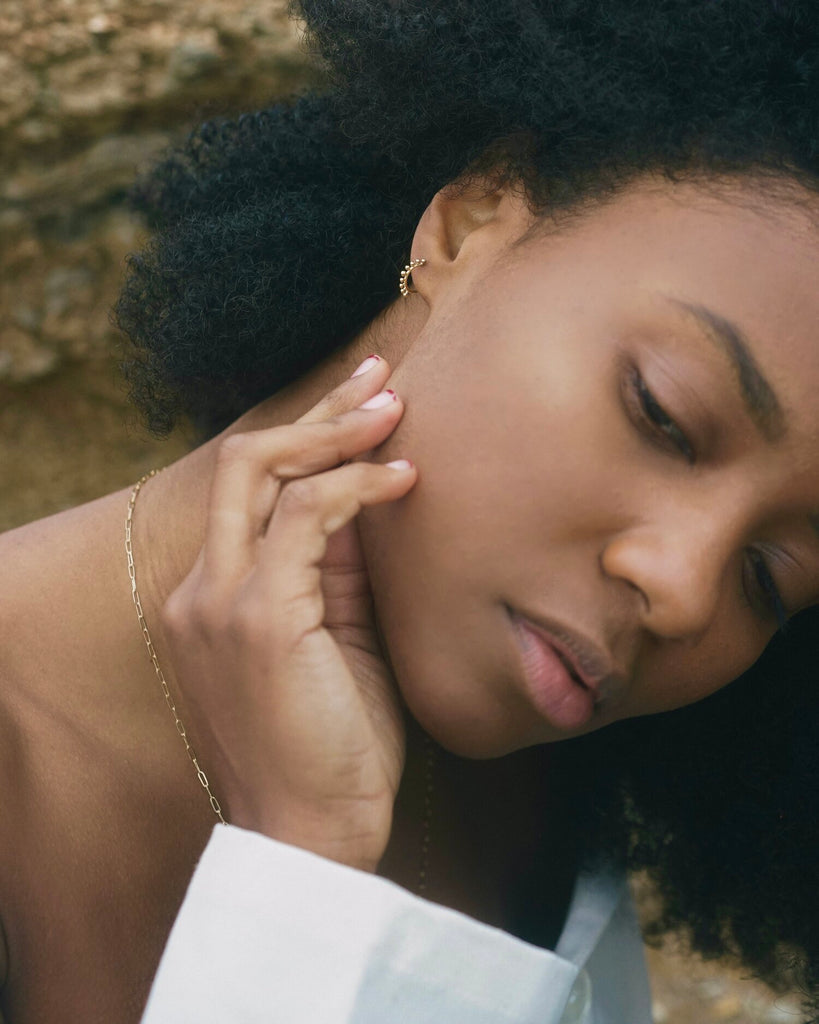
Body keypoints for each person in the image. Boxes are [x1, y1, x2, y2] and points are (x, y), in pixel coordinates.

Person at [1, 0, 819, 1021]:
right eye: (667, 416)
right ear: (469, 222)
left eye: (769, 581)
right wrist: (300, 880)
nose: (686, 590)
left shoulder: (547, 783)